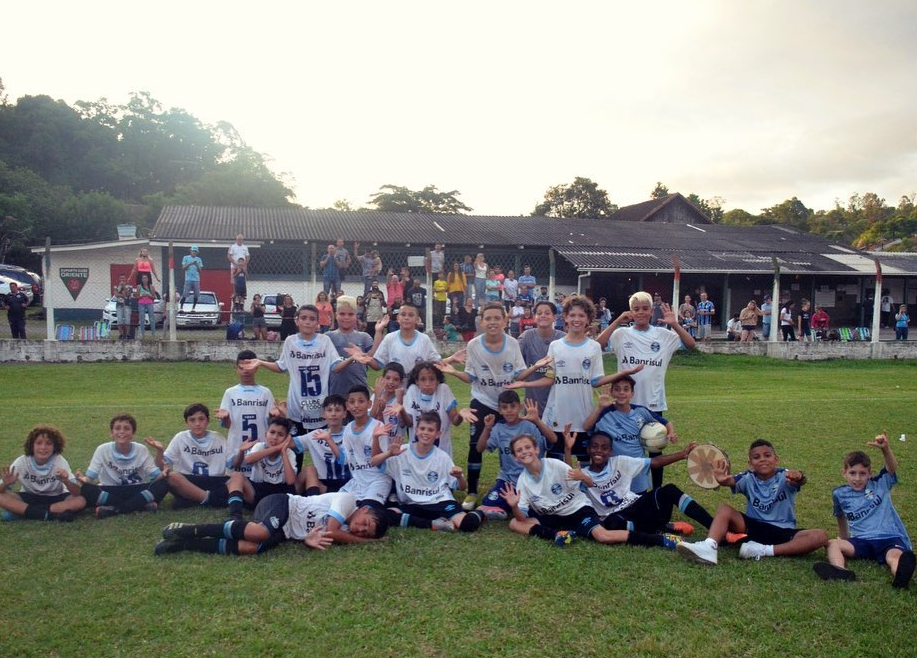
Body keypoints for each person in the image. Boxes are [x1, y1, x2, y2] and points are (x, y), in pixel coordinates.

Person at [498, 433, 682, 550]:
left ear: (536, 449)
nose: (524, 452)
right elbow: (521, 518)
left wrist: (581, 475)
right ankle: (556, 535)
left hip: (578, 511)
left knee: (603, 536)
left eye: (527, 447)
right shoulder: (522, 482)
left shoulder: (553, 465)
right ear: (515, 457)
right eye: (519, 450)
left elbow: (584, 479)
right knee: (514, 523)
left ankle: (661, 540)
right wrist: (514, 506)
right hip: (554, 517)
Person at [597, 291, 695, 489]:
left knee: (655, 447)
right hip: (624, 404)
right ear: (630, 312)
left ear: (651, 311)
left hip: (652, 403)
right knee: (624, 449)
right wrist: (617, 321)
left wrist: (675, 324)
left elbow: (691, 345)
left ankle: (656, 491)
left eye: (644, 308)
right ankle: (623, 490)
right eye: (636, 309)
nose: (640, 312)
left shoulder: (664, 335)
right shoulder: (621, 334)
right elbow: (598, 344)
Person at [676, 439, 828, 565]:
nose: (762, 459)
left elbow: (799, 480)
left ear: (776, 459)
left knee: (820, 536)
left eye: (767, 455)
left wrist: (799, 476)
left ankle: (762, 550)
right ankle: (709, 546)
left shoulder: (785, 476)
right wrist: (722, 480)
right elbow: (730, 481)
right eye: (756, 457)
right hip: (754, 529)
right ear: (750, 463)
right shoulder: (748, 478)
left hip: (783, 530)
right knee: (724, 509)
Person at [437, 302, 526, 510]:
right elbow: (470, 377)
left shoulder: (513, 343)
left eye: (497, 318)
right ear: (482, 322)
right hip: (482, 401)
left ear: (505, 320)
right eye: (488, 318)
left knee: (510, 445)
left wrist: (536, 370)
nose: (493, 322)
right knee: (475, 445)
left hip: (506, 404)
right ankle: (472, 492)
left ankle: (514, 487)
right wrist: (454, 372)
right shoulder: (474, 345)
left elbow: (519, 374)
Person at [509, 296, 603, 463]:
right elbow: (550, 379)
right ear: (565, 317)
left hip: (583, 416)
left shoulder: (594, 347)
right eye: (572, 315)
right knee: (555, 463)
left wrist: (624, 374)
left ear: (588, 318)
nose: (576, 319)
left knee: (584, 464)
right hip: (557, 416)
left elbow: (596, 381)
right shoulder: (555, 345)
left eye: (581, 315)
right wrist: (525, 383)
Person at [813, 433, 914, 587]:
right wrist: (844, 538)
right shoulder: (839, 493)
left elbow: (892, 468)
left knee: (895, 557)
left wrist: (885, 449)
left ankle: (900, 577)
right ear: (844, 473)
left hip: (889, 538)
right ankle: (839, 571)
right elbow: (840, 516)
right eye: (852, 473)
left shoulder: (880, 483)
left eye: (862, 473)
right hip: (862, 540)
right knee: (832, 544)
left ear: (870, 473)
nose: (857, 478)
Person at [154, 491, 389, 556]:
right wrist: (364, 543)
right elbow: (330, 530)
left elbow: (319, 535)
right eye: (366, 524)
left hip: (285, 530)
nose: (360, 530)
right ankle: (190, 529)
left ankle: (184, 545)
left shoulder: (345, 531)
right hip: (282, 504)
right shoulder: (348, 501)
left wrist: (307, 541)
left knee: (251, 548)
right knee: (261, 533)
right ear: (365, 510)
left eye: (365, 534)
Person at [572, 431, 712, 536]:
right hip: (618, 516)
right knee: (611, 523)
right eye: (594, 446)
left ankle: (714, 527)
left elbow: (654, 462)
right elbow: (568, 481)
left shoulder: (620, 462)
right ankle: (660, 530)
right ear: (588, 449)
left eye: (604, 448)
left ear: (610, 451)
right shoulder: (582, 474)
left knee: (669, 490)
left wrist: (682, 454)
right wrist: (567, 450)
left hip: (637, 506)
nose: (599, 451)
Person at [242, 305, 344, 443]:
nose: (307, 322)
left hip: (320, 403)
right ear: (297, 321)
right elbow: (281, 366)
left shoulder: (324, 341)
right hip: (296, 404)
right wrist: (261, 362)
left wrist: (352, 359)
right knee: (295, 447)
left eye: (312, 319)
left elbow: (336, 365)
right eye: (303, 318)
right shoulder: (291, 341)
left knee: (320, 446)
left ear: (317, 322)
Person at [371, 411, 484, 533]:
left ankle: (481, 511)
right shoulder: (402, 451)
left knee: (468, 524)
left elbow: (462, 487)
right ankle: (433, 524)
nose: (425, 432)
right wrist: (389, 453)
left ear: (438, 434)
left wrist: (459, 477)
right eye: (422, 428)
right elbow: (374, 462)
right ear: (416, 430)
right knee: (386, 516)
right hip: (412, 504)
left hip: (439, 502)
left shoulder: (442, 457)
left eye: (430, 430)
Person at [583, 373, 675, 495]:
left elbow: (666, 423)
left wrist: (671, 432)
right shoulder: (604, 413)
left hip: (638, 470)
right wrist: (599, 407)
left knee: (640, 501)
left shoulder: (641, 411)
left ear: (632, 394)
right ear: (611, 392)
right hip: (614, 473)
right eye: (617, 389)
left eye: (626, 389)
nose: (621, 393)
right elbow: (586, 426)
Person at [475, 390, 557, 520]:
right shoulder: (498, 429)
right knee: (488, 504)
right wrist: (487, 428)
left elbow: (553, 439)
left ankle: (519, 504)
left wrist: (537, 420)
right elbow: (479, 449)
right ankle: (509, 503)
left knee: (543, 510)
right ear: (499, 410)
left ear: (520, 407)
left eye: (513, 406)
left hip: (533, 479)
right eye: (504, 407)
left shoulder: (530, 427)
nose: (509, 410)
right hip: (508, 479)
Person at [146, 403, 243, 509]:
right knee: (172, 476)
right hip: (189, 481)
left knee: (236, 478)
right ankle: (211, 500)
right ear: (186, 422)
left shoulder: (218, 438)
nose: (197, 424)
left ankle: (193, 499)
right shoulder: (181, 438)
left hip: (214, 480)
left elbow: (234, 464)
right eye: (192, 420)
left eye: (201, 419)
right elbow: (161, 466)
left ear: (208, 421)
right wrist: (160, 451)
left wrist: (241, 451)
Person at [76, 414, 168, 518]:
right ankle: (140, 506)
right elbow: (90, 478)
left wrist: (163, 470)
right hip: (111, 490)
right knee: (86, 489)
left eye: (127, 428)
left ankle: (114, 509)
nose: (122, 431)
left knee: (163, 484)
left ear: (133, 433)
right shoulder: (102, 449)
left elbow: (156, 476)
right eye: (117, 428)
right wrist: (83, 480)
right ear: (112, 433)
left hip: (136, 489)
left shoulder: (141, 449)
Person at [0, 425, 85, 522]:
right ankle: (51, 515)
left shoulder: (59, 461)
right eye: (39, 443)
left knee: (81, 500)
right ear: (32, 445)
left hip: (55, 498)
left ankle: (28, 513)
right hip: (29, 497)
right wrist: (5, 484)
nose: (43, 447)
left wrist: (66, 481)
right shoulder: (22, 461)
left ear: (54, 447)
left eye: (48, 443)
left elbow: (77, 493)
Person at [216, 350, 275, 477]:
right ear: (236, 369)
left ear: (256, 368)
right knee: (235, 478)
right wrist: (225, 418)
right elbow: (227, 425)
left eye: (249, 368)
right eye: (241, 368)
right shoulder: (230, 393)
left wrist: (275, 415)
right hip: (236, 445)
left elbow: (271, 423)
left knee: (258, 479)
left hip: (259, 445)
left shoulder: (265, 392)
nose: (246, 371)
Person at [403, 361, 473, 459]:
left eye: (432, 379)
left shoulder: (443, 390)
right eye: (423, 379)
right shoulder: (412, 390)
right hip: (418, 450)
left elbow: (455, 421)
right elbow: (409, 423)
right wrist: (401, 410)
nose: (427, 384)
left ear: (438, 381)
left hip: (442, 450)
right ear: (417, 381)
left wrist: (460, 414)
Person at [339, 385, 394, 507]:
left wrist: (375, 439)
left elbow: (382, 462)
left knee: (367, 511)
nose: (356, 405)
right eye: (352, 402)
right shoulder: (347, 429)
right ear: (347, 406)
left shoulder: (378, 427)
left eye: (361, 401)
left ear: (369, 404)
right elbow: (345, 458)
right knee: (335, 508)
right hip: (356, 482)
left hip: (377, 481)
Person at [295, 394, 351, 495]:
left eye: (337, 410)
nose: (333, 414)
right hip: (323, 485)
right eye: (329, 410)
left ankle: (313, 501)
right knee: (308, 470)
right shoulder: (316, 434)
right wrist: (284, 420)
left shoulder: (351, 432)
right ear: (323, 414)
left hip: (348, 484)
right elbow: (289, 443)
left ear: (344, 414)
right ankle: (289, 498)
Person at [517, 300, 564, 416]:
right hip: (533, 402)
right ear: (534, 317)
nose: (543, 315)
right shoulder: (526, 337)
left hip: (558, 402)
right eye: (539, 313)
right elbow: (514, 362)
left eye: (547, 313)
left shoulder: (563, 338)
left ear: (554, 317)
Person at [327, 295, 379, 397]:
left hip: (359, 392)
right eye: (342, 314)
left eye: (350, 314)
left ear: (356, 316)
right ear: (336, 315)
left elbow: (375, 364)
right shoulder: (328, 337)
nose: (346, 317)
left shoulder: (364, 337)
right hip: (335, 392)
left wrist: (379, 332)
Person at [368, 302, 440, 371]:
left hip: (417, 380)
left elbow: (437, 362)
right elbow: (377, 365)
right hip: (396, 380)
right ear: (398, 318)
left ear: (417, 320)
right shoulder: (389, 338)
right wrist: (365, 358)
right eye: (403, 314)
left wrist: (448, 360)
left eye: (411, 315)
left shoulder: (424, 339)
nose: (406, 318)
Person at [242, 417, 298, 505]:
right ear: (266, 434)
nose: (275, 437)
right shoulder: (259, 447)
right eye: (272, 432)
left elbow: (290, 481)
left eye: (280, 435)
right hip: (259, 488)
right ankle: (235, 511)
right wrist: (276, 448)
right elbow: (248, 460)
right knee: (237, 476)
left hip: (280, 490)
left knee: (309, 470)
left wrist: (283, 452)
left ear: (286, 439)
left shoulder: (289, 453)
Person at [179, 245, 203, 311]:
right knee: (185, 294)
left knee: (196, 294)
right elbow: (183, 268)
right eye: (193, 251)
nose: (194, 252)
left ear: (197, 252)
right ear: (190, 251)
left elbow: (200, 270)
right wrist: (190, 263)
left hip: (196, 279)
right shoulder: (186, 258)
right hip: (188, 279)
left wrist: (197, 264)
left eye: (195, 251)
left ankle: (193, 308)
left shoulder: (199, 259)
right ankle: (181, 307)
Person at [135, 274, 157, 340]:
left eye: (146, 278)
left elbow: (154, 297)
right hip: (141, 303)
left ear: (148, 279)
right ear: (141, 279)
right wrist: (141, 296)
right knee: (142, 319)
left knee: (152, 319)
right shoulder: (139, 287)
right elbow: (137, 297)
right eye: (143, 278)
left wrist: (149, 295)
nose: (145, 280)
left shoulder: (151, 287)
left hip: (149, 303)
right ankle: (142, 334)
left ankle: (153, 334)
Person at [112, 274, 133, 340]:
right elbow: (116, 294)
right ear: (119, 279)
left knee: (127, 320)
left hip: (127, 305)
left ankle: (128, 334)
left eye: (123, 278)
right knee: (119, 320)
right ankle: (120, 334)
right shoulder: (116, 286)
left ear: (125, 278)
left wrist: (124, 287)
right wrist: (123, 295)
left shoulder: (129, 286)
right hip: (119, 305)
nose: (122, 279)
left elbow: (128, 294)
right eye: (121, 278)